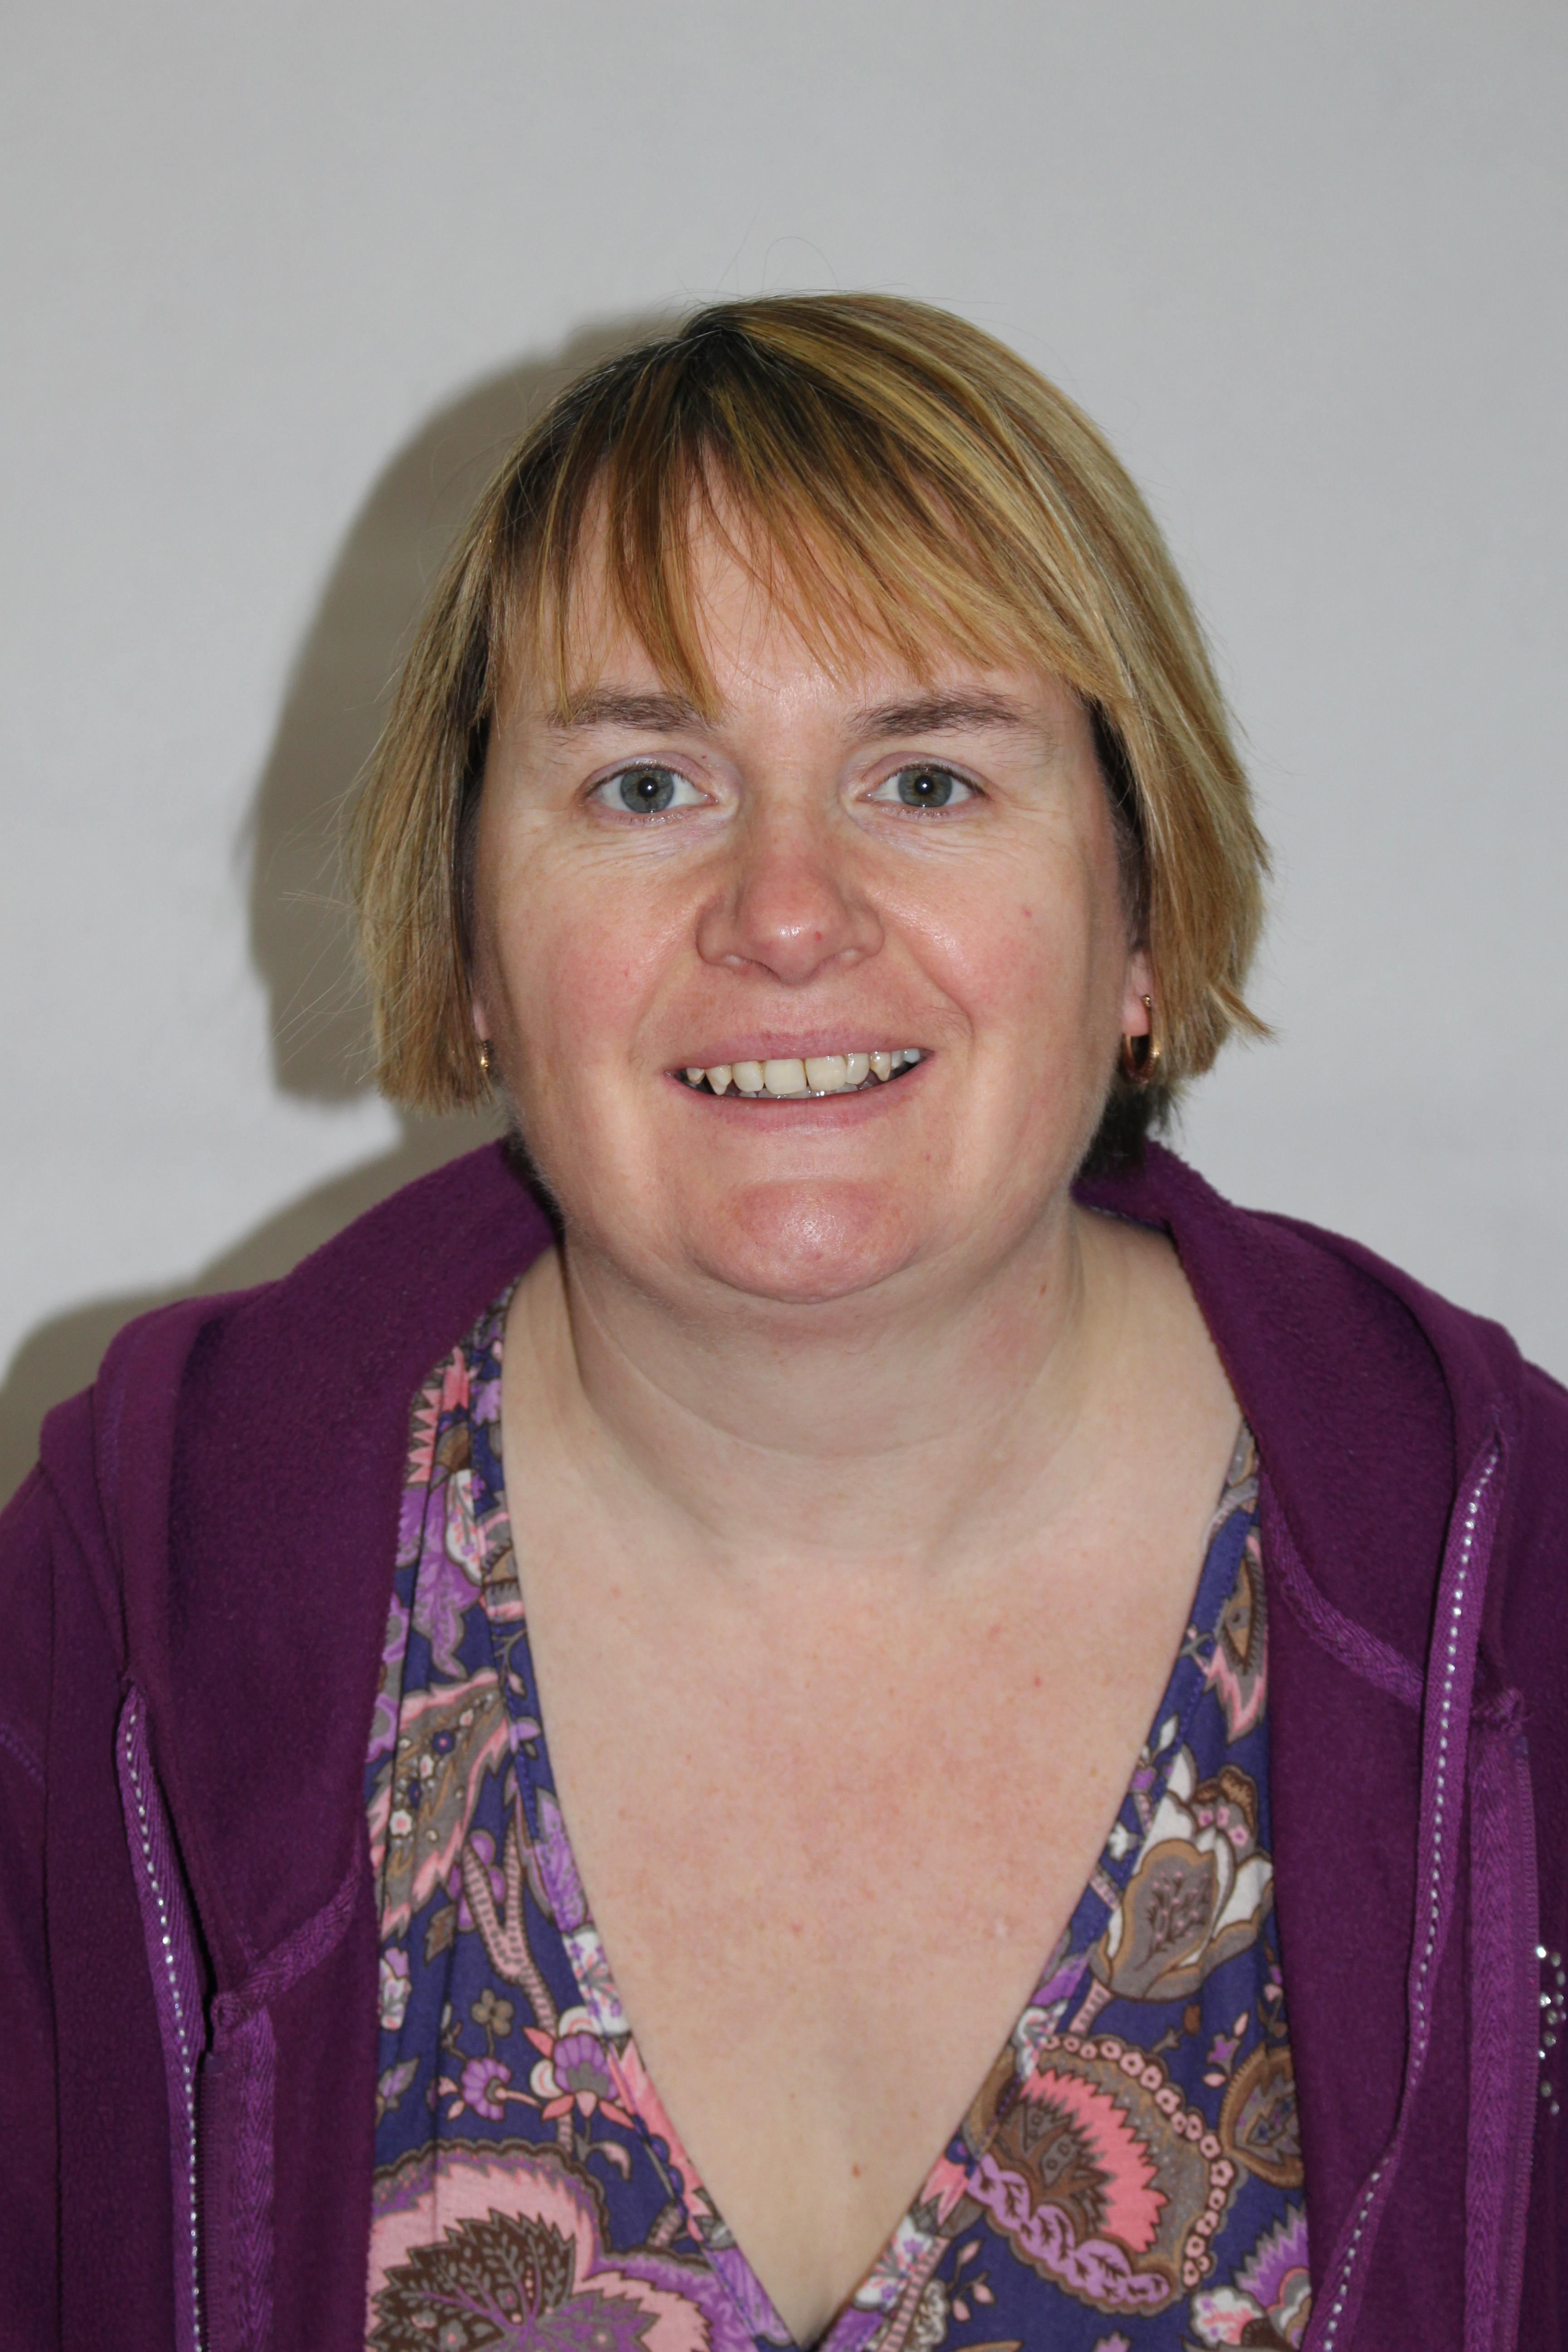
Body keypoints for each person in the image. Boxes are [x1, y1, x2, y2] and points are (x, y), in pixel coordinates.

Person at [1, 295, 1562, 2352]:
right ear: (472, 945)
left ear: (1142, 913)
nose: (789, 913)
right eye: (648, 784)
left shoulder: (1516, 1597)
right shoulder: (129, 1604)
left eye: (927, 775)